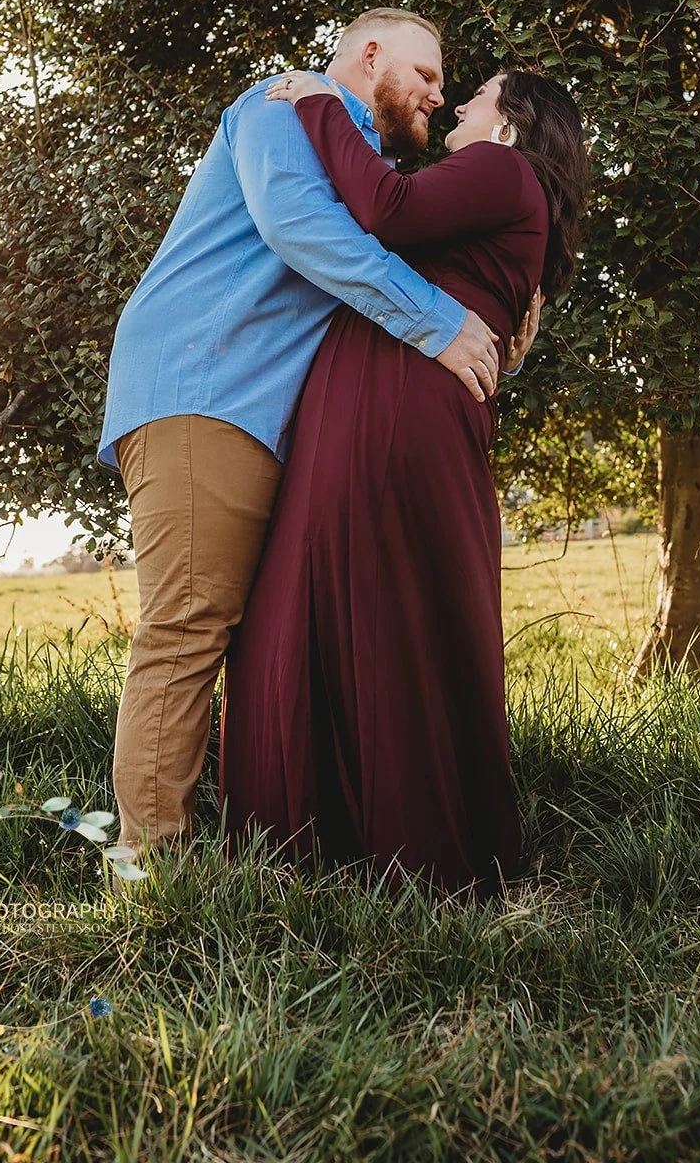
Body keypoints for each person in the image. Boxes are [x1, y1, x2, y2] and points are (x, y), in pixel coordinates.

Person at [97, 9, 543, 856]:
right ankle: (150, 867)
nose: (438, 96)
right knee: (188, 625)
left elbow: (400, 283)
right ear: (369, 55)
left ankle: (268, 838)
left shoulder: (370, 170)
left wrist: (495, 332)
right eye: (425, 74)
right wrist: (439, 322)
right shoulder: (280, 105)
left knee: (242, 628)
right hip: (205, 388)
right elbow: (300, 230)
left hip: (269, 417)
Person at [219, 65, 589, 903]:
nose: (457, 102)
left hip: (391, 403)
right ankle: (378, 838)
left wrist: (319, 101)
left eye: (478, 94)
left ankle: (362, 845)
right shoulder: (510, 193)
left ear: (512, 122)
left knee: (356, 592)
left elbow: (384, 209)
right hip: (396, 398)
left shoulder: (499, 167)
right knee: (386, 599)